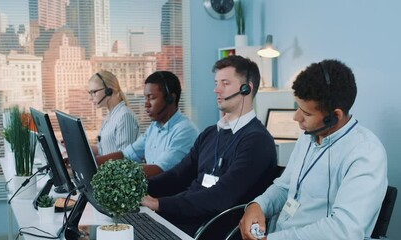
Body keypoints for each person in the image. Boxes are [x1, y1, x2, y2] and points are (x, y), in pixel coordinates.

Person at [239, 59, 388, 240]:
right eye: (298, 108)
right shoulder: (309, 136)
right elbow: (285, 187)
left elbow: (343, 231)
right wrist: (259, 205)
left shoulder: (365, 154)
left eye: (306, 113)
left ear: (335, 116)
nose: (296, 117)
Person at [141, 55, 278, 237]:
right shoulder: (210, 134)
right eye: (216, 83)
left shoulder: (257, 142)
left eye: (225, 83)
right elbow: (177, 176)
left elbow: (221, 197)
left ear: (246, 89)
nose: (216, 90)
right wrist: (138, 188)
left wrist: (159, 204)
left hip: (210, 229)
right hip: (184, 219)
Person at [95, 71, 199, 178]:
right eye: (145, 97)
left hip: (170, 193)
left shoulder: (185, 130)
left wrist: (110, 172)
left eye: (152, 98)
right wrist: (93, 162)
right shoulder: (154, 128)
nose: (146, 104)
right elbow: (126, 155)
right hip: (153, 190)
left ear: (170, 98)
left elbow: (159, 169)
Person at [88, 70, 139, 156]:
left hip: (113, 169)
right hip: (106, 168)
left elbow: (124, 158)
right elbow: (102, 149)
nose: (90, 98)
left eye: (94, 92)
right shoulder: (110, 116)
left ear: (109, 91)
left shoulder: (124, 116)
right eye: (90, 93)